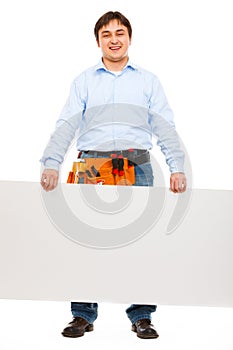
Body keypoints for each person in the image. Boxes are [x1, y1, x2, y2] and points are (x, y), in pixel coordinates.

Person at [40, 11, 187, 340]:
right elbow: (67, 123)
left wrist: (177, 167)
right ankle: (82, 314)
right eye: (106, 34)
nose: (114, 38)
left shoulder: (148, 81)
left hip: (137, 165)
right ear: (98, 41)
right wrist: (51, 162)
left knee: (140, 243)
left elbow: (164, 126)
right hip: (92, 164)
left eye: (120, 32)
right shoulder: (84, 81)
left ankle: (142, 315)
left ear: (130, 38)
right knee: (83, 242)